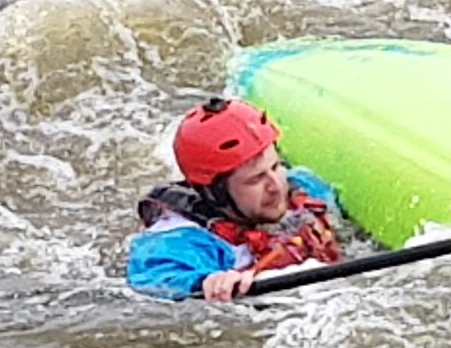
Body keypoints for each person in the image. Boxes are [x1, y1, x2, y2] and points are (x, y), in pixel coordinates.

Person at [126, 98, 356, 303]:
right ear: (216, 193)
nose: (276, 186)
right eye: (255, 179)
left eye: (275, 166)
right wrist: (206, 282)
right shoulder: (184, 239)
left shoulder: (305, 188)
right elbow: (153, 277)